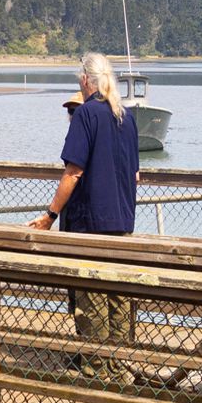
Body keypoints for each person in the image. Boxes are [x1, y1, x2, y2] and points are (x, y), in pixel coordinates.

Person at [35, 53, 144, 379]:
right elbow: (135, 175)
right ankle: (120, 364)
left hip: (90, 221)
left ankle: (96, 368)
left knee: (92, 293)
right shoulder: (126, 117)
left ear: (85, 80)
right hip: (122, 220)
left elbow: (73, 172)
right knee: (118, 293)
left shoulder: (86, 115)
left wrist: (50, 215)